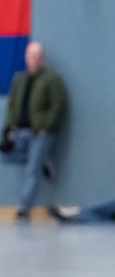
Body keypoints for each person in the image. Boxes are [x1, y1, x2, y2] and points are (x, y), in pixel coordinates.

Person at [2, 42, 68, 221]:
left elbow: (58, 106)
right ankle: (45, 159)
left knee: (32, 170)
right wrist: (9, 126)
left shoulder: (52, 80)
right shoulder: (19, 79)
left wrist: (46, 127)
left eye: (37, 56)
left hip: (40, 133)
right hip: (21, 131)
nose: (34, 60)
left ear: (43, 58)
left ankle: (24, 208)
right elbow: (12, 104)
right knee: (10, 157)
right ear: (26, 57)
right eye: (31, 56)